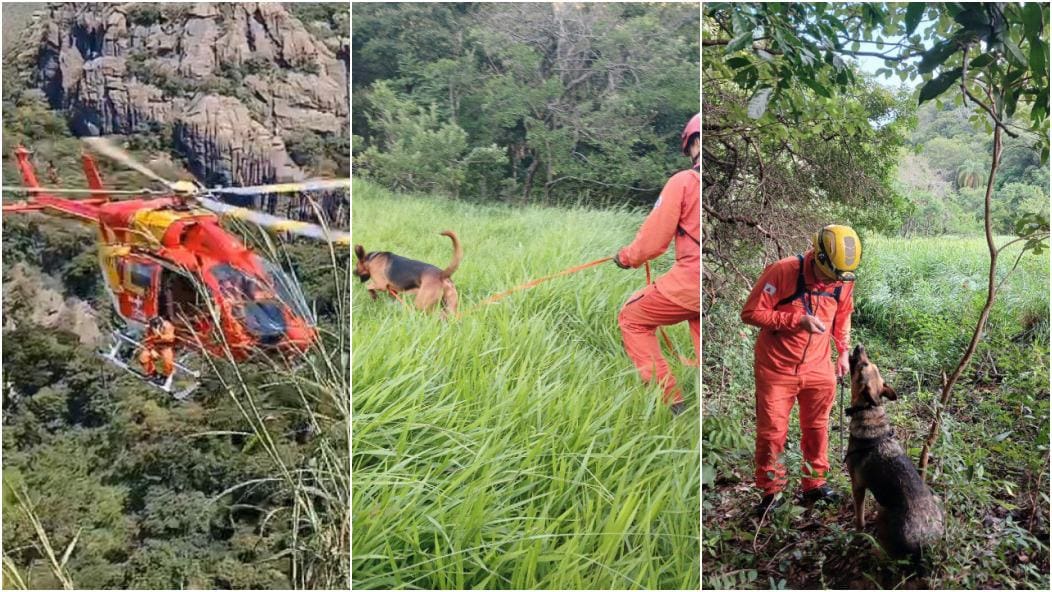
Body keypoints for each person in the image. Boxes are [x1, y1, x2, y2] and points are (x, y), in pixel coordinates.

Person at [740, 225, 861, 513]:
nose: (831, 282)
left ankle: (815, 485)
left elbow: (843, 315)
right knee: (772, 433)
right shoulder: (782, 271)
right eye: (828, 275)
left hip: (819, 368)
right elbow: (751, 313)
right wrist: (796, 321)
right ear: (817, 257)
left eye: (837, 279)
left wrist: (843, 351)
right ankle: (772, 494)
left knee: (818, 428)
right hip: (776, 368)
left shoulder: (843, 280)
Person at [613, 113, 700, 416]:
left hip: (691, 282)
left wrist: (626, 258)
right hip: (718, 288)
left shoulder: (686, 181)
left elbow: (651, 242)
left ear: (694, 144)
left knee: (632, 318)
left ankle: (670, 403)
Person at [139, 315, 177, 387]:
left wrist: (160, 335)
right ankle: (152, 373)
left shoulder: (168, 326)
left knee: (167, 360)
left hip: (166, 347)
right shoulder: (149, 329)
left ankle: (165, 376)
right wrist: (151, 350)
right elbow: (147, 340)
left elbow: (171, 338)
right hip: (155, 346)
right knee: (143, 357)